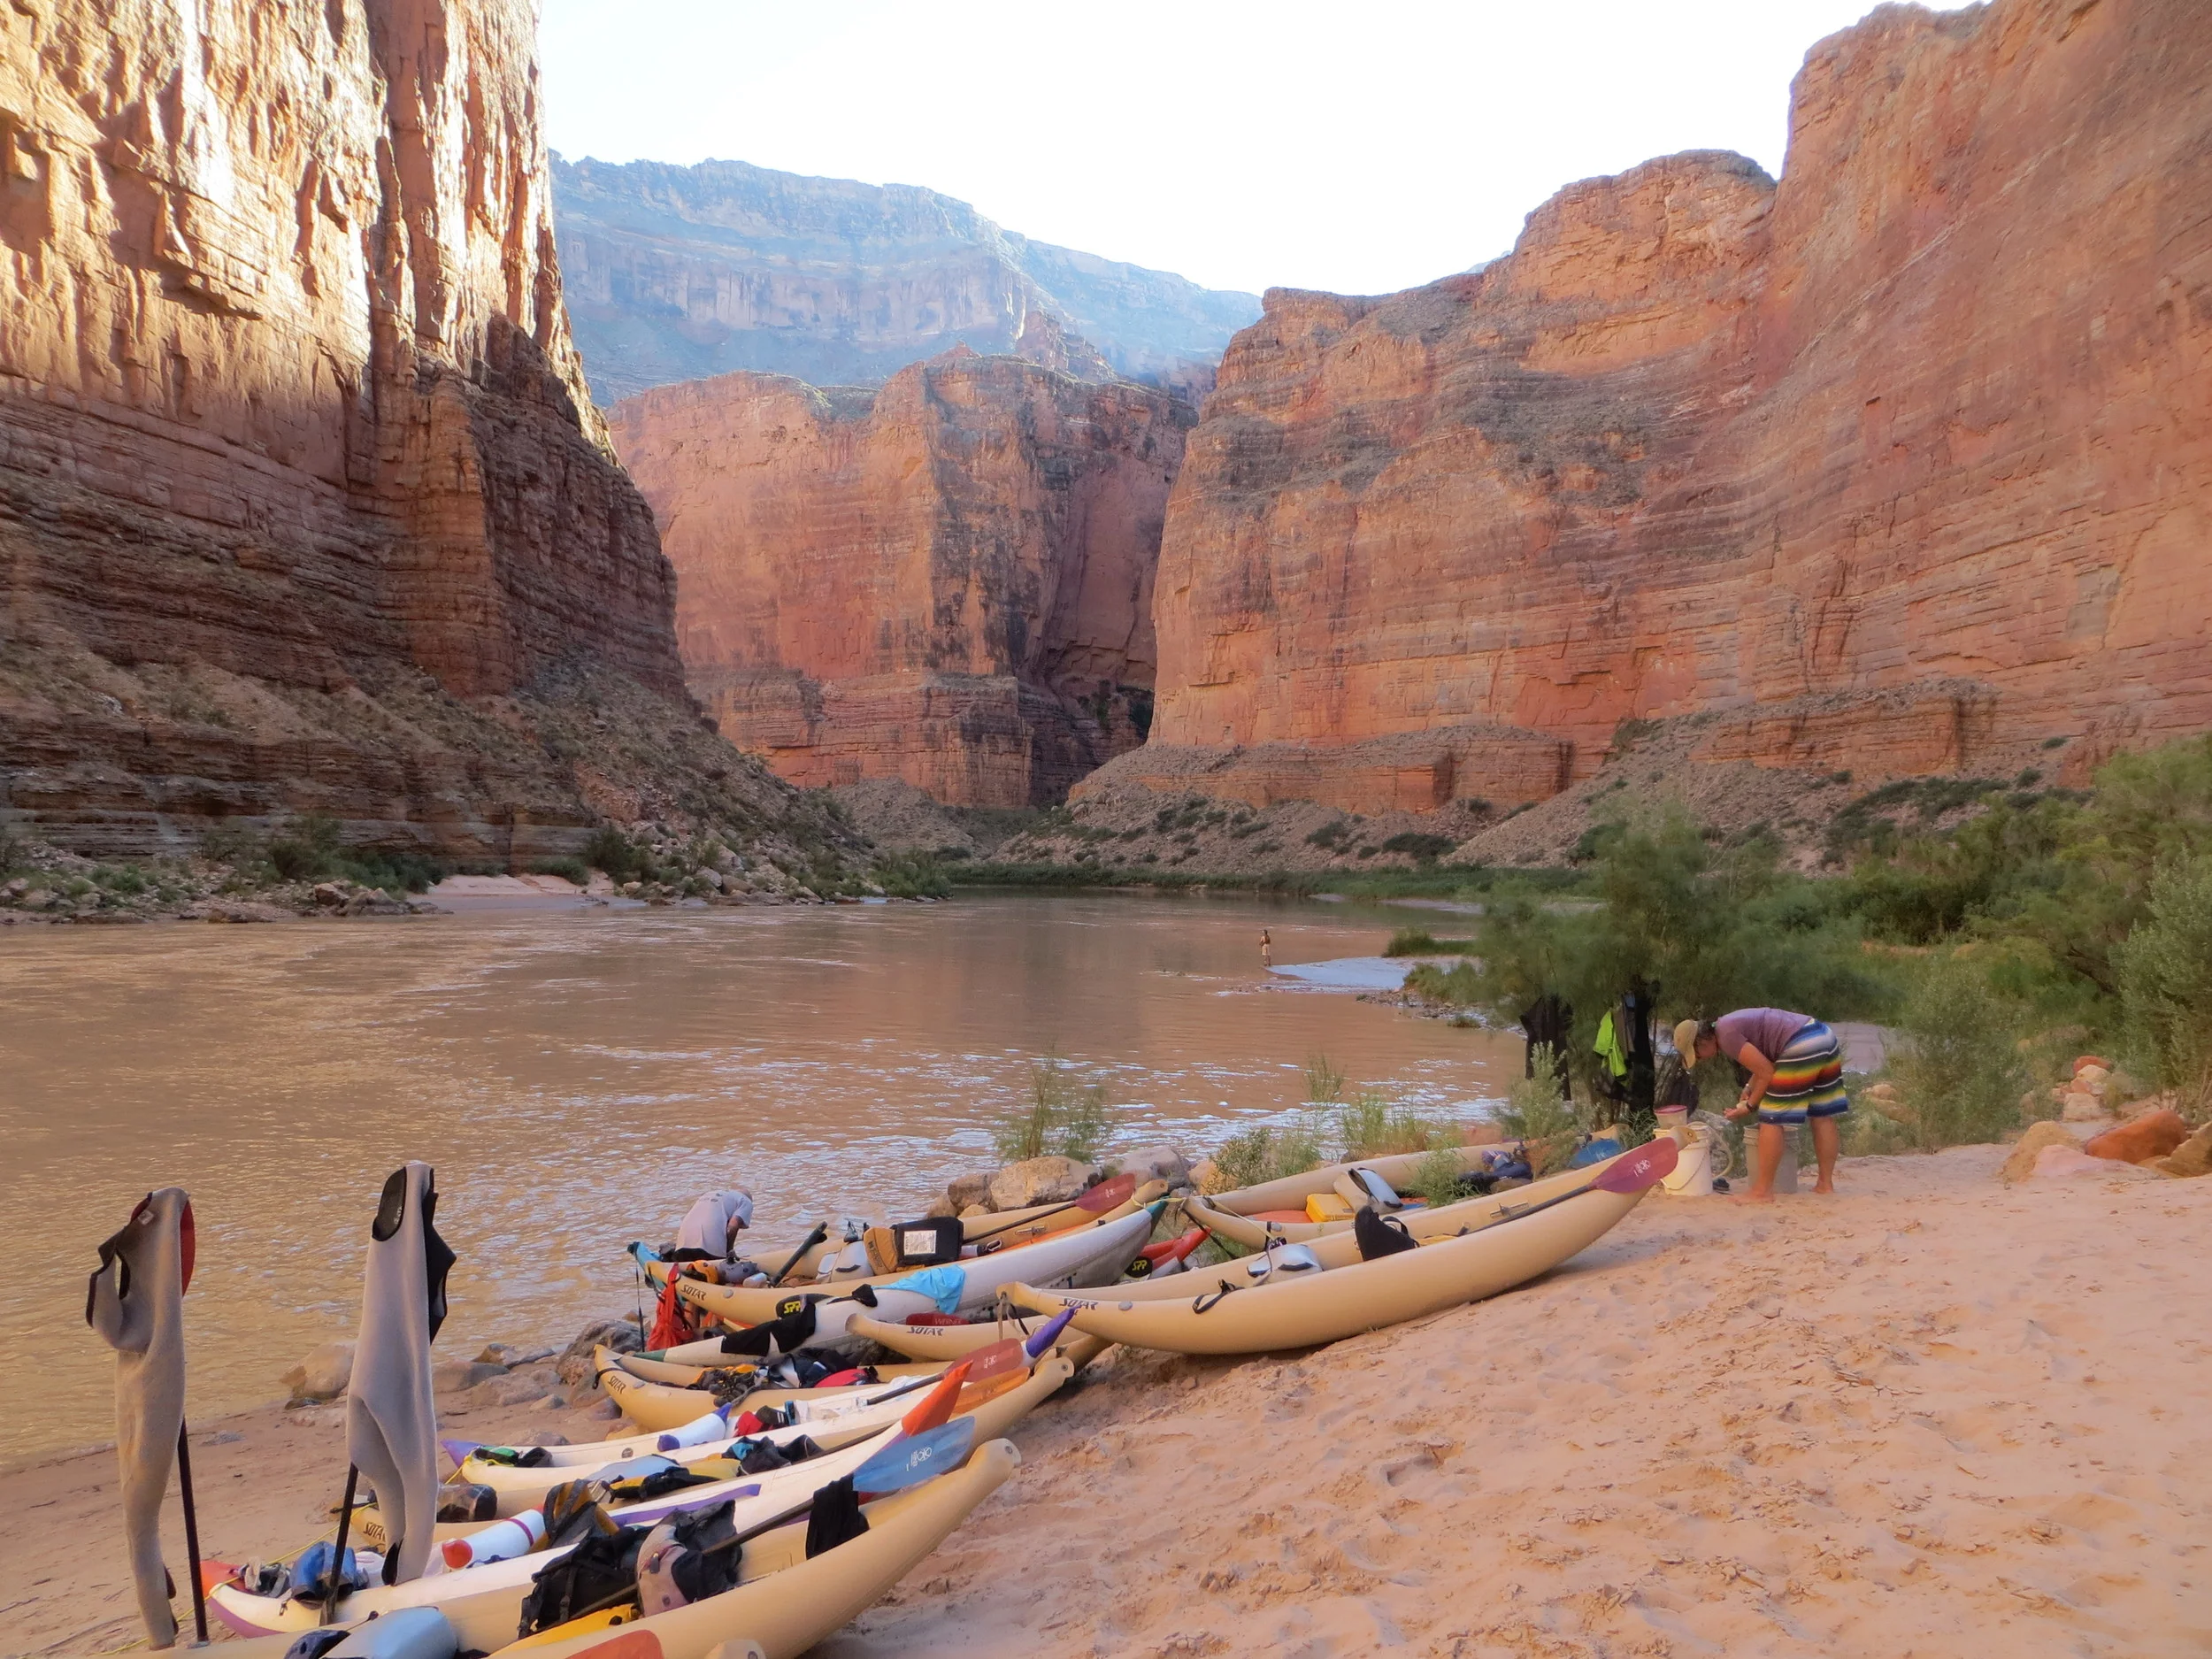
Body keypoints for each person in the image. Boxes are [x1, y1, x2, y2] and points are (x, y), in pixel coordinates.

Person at [1691, 1009, 1850, 1199]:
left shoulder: (1726, 1036)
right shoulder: (1726, 1024)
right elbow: (1767, 1058)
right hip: (1822, 1035)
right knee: (1822, 1113)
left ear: (1702, 1041)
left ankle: (1762, 1190)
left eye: (1697, 1055)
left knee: (1771, 1117)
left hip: (1801, 1043)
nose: (1700, 1060)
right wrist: (1750, 1087)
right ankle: (1825, 1184)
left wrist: (1750, 1106)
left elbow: (1767, 1071)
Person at [671, 1188, 753, 1260]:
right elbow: (733, 1227)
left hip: (682, 1243)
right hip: (708, 1247)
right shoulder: (745, 1201)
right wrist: (729, 1252)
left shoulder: (710, 1194)